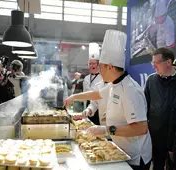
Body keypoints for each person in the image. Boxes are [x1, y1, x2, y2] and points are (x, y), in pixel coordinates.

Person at [65, 30, 152, 170]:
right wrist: (74, 97)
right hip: (121, 149)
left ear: (110, 66)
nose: (99, 71)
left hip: (136, 156)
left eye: (101, 67)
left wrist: (105, 130)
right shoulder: (114, 84)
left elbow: (141, 128)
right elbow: (96, 94)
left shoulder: (130, 91)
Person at [144, 47, 176, 170]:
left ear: (168, 62)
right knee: (156, 165)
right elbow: (145, 106)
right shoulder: (151, 80)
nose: (154, 66)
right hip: (156, 136)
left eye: (156, 63)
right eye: (152, 63)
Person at [83, 42, 103, 125]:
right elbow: (84, 95)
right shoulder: (86, 78)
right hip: (89, 107)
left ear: (99, 64)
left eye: (94, 63)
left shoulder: (104, 77)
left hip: (100, 108)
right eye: (90, 63)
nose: (92, 66)